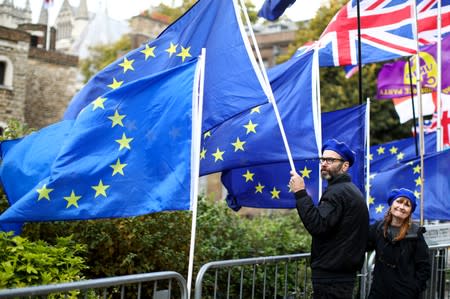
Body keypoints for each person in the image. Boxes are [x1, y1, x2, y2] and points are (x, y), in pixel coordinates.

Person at [289, 139, 369, 299]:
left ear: (345, 166)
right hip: (340, 273)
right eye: (323, 159)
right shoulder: (348, 190)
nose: (324, 164)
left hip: (332, 277)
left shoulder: (337, 193)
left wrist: (300, 192)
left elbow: (318, 225)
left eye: (331, 160)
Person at [367, 188, 431, 298]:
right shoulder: (378, 228)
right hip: (379, 292)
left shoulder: (415, 234)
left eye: (407, 205)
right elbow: (361, 246)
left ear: (410, 211)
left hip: (405, 294)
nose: (401, 207)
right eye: (399, 201)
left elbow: (424, 267)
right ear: (392, 204)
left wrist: (413, 289)